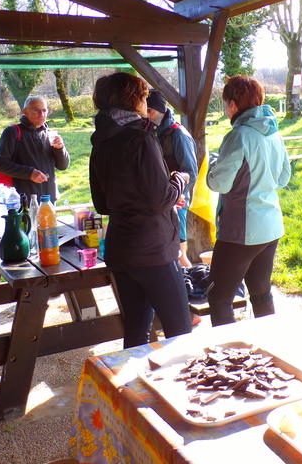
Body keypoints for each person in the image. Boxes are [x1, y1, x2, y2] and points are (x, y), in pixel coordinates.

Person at [89, 72, 192, 347]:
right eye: (144, 97)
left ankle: (134, 377)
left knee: (136, 332)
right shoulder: (142, 138)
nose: (146, 103)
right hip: (153, 249)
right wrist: (179, 180)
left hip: (121, 249)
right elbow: (160, 198)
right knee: (180, 332)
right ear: (133, 99)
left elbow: (102, 203)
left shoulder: (101, 140)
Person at [206, 76, 291, 327]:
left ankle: (230, 351)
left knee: (219, 297)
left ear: (233, 104)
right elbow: (283, 178)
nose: (225, 109)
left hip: (242, 230)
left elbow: (219, 184)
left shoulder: (239, 135)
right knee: (261, 292)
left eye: (225, 103)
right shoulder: (274, 133)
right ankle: (269, 344)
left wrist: (212, 166)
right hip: (271, 225)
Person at [146, 90, 198, 269]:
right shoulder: (151, 132)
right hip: (160, 203)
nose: (147, 116)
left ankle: (192, 282)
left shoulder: (178, 134)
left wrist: (176, 196)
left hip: (178, 202)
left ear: (161, 110)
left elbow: (191, 172)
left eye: (150, 111)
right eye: (145, 111)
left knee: (180, 255)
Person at [0, 96, 70, 199]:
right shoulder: (13, 132)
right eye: (36, 110)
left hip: (49, 197)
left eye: (44, 110)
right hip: (23, 198)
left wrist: (60, 148)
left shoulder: (50, 134)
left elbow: (63, 166)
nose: (41, 114)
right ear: (25, 111)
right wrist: (30, 173)